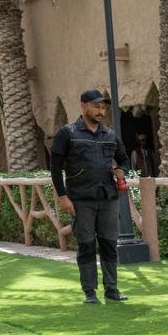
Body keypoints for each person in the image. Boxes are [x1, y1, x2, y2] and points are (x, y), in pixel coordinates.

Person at [50, 88, 130, 304]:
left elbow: (124, 159)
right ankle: (90, 292)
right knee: (86, 244)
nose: (101, 111)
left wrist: (122, 170)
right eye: (96, 106)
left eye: (103, 107)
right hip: (80, 198)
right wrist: (63, 196)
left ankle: (111, 289)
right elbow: (55, 168)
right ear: (83, 106)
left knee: (109, 243)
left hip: (108, 197)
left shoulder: (110, 135)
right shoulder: (66, 133)